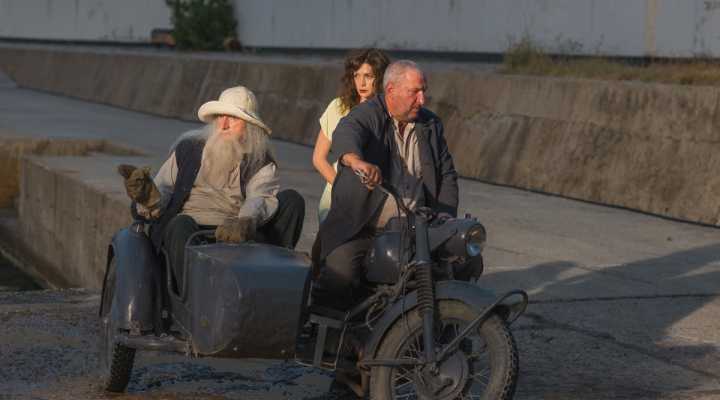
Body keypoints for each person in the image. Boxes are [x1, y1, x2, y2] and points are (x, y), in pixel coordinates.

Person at [118, 86, 305, 293]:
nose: (223, 124)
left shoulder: (260, 161)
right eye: (220, 116)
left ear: (249, 126)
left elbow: (259, 197)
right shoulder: (188, 148)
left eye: (233, 118)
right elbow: (164, 189)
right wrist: (148, 197)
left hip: (235, 233)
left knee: (292, 200)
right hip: (190, 228)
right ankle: (195, 295)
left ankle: (272, 285)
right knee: (180, 224)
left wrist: (245, 221)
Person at [314, 60, 459, 309]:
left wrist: (445, 217)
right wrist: (356, 161)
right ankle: (336, 329)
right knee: (339, 274)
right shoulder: (368, 113)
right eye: (415, 92)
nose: (422, 100)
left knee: (462, 260)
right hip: (365, 227)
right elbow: (347, 132)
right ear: (391, 90)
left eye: (423, 91)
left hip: (416, 227)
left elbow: (447, 175)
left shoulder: (431, 124)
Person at [312, 48, 390, 223]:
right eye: (356, 75)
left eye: (368, 76)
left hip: (377, 197)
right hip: (337, 196)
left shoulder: (388, 112)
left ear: (380, 77)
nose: (361, 82)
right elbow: (318, 158)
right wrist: (342, 189)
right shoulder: (338, 107)